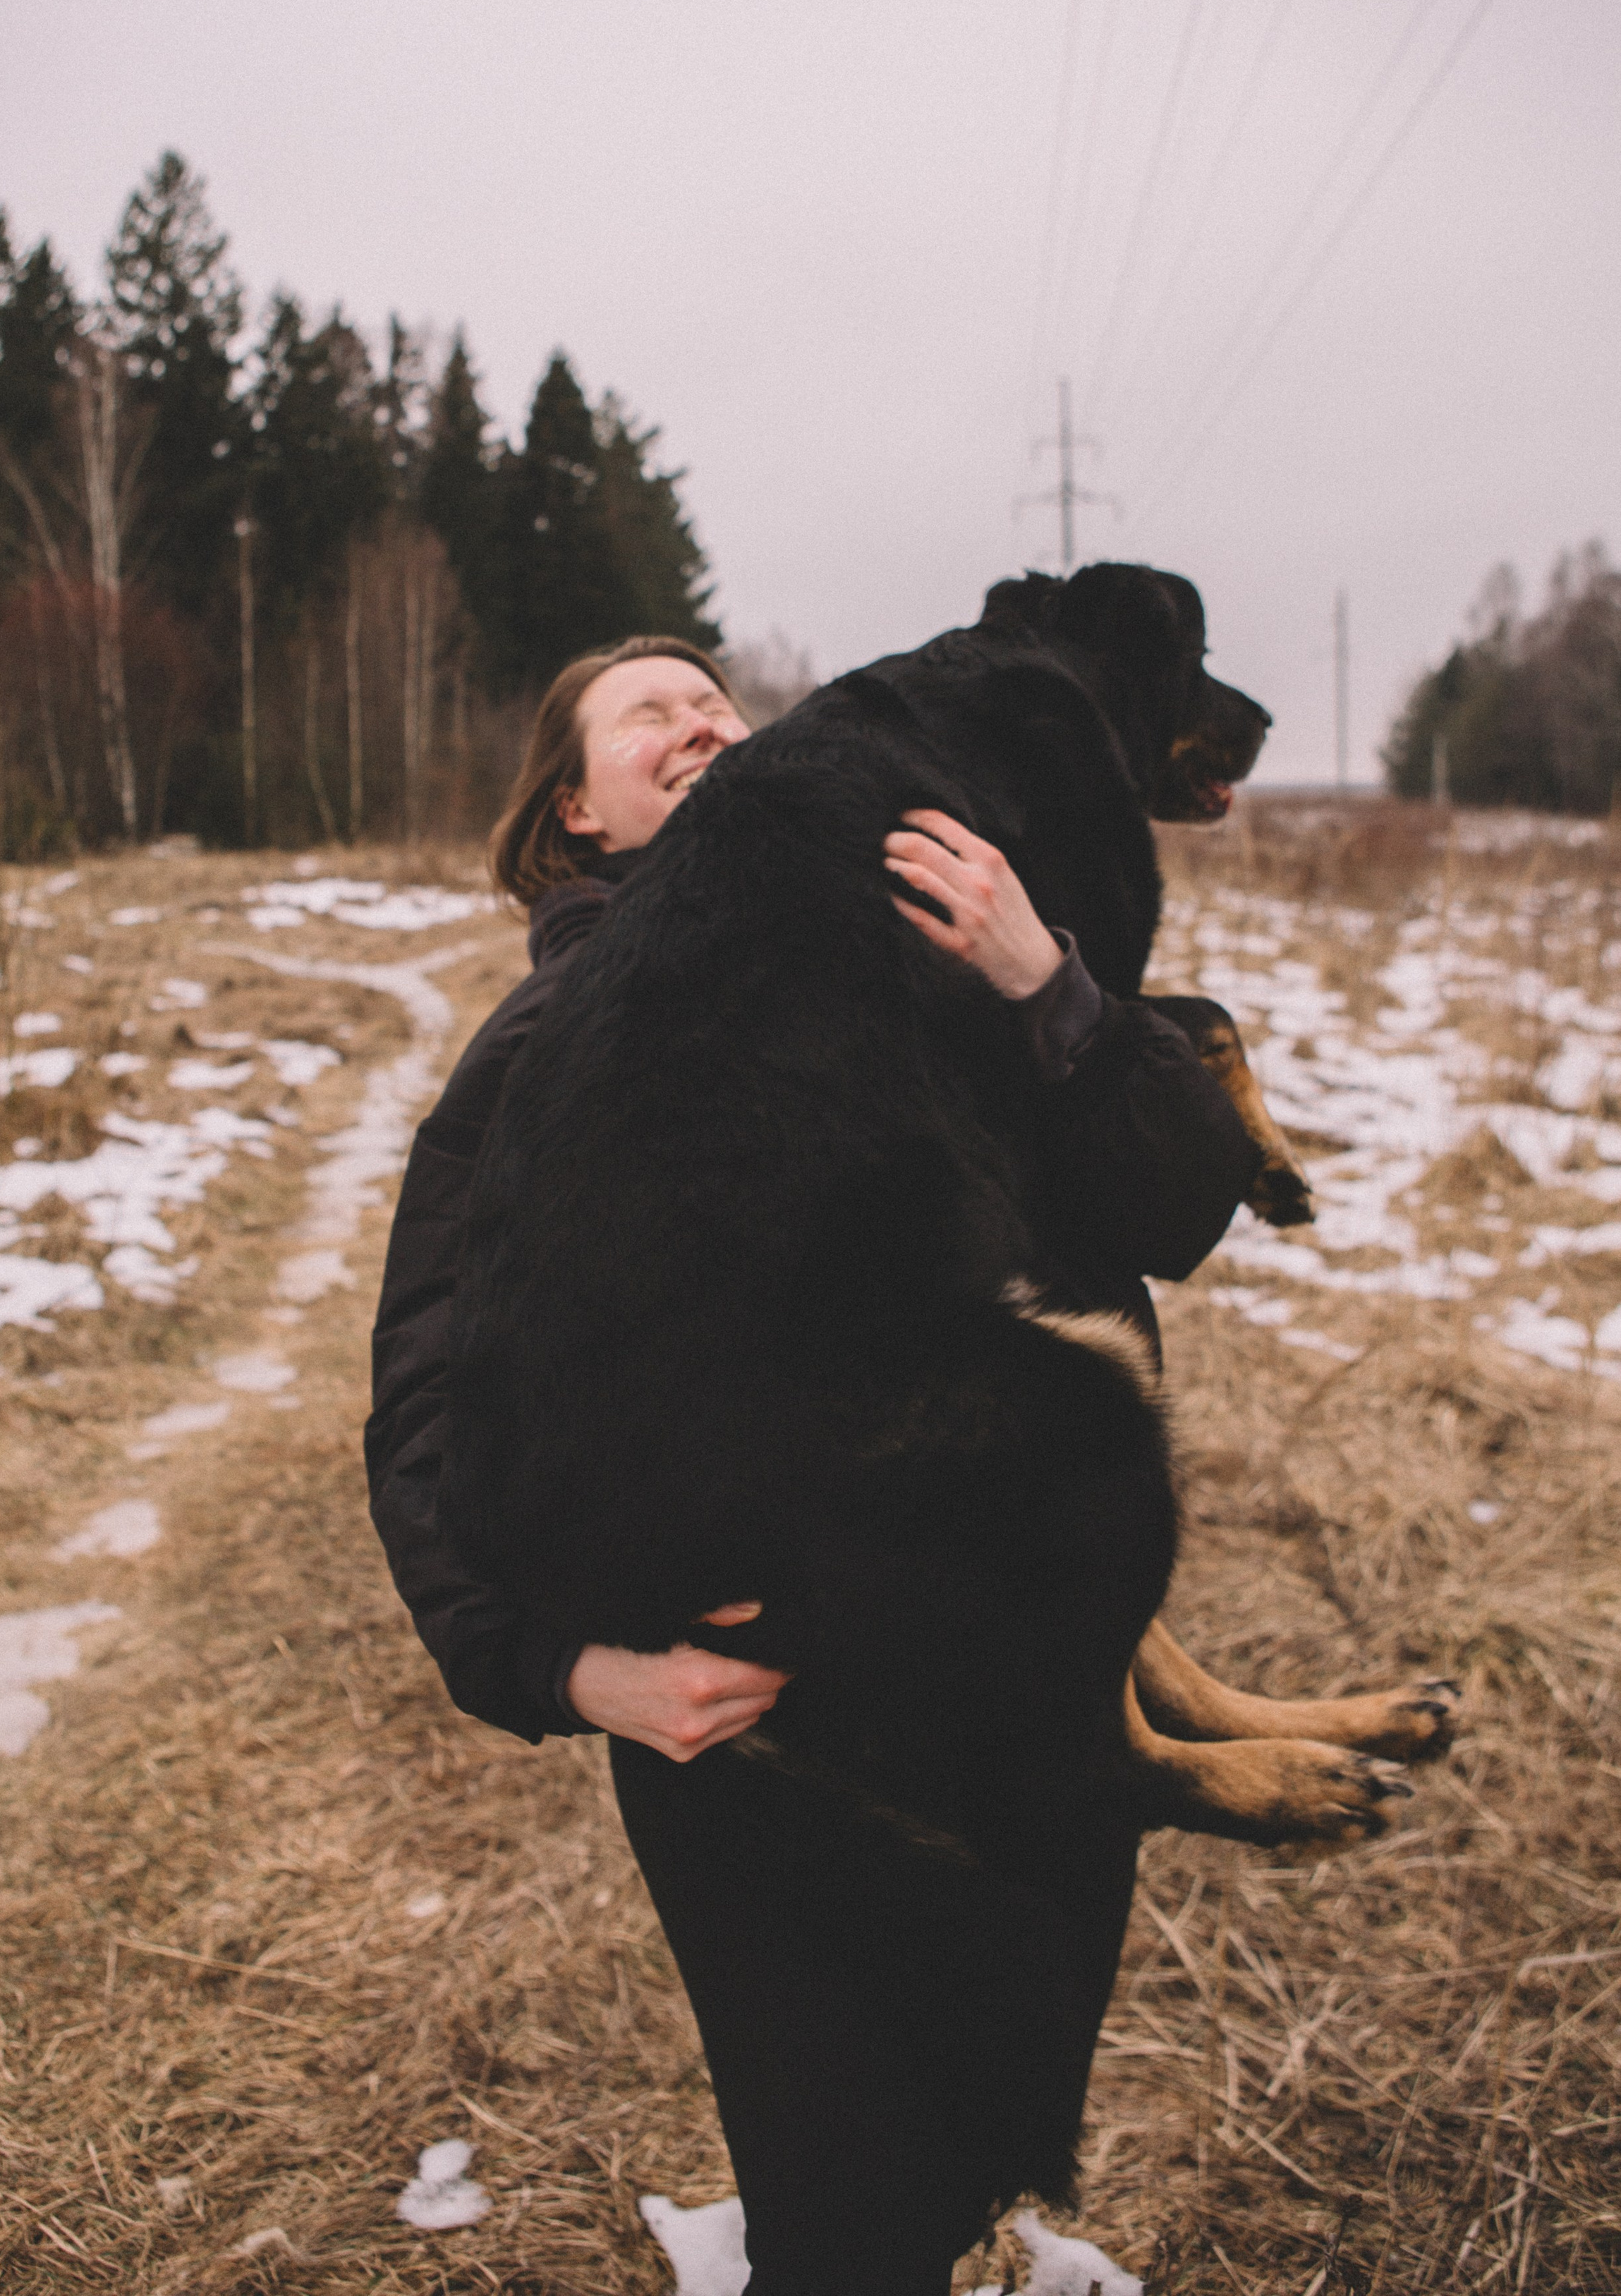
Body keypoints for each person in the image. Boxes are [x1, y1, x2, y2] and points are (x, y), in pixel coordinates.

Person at [368, 634, 1256, 2290]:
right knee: (845, 2167)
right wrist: (561, 1669)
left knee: (984, 2098)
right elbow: (427, 1403)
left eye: (720, 703)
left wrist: (1042, 979)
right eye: (652, 714)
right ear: (574, 810)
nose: (704, 721)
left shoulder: (925, 939)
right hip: (768, 1715)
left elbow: (1171, 1211)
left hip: (996, 1637)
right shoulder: (554, 1041)